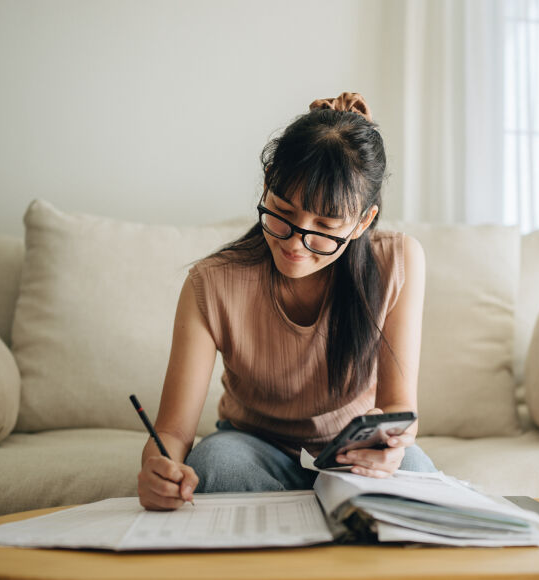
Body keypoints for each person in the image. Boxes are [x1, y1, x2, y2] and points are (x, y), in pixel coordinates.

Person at [137, 92, 436, 511]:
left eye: (325, 226)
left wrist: (393, 446)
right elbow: (172, 431)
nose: (297, 243)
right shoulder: (212, 282)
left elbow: (399, 407)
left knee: (419, 480)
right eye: (281, 212)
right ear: (266, 182)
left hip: (352, 451)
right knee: (215, 466)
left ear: (363, 222)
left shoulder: (398, 261)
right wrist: (158, 464)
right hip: (253, 446)